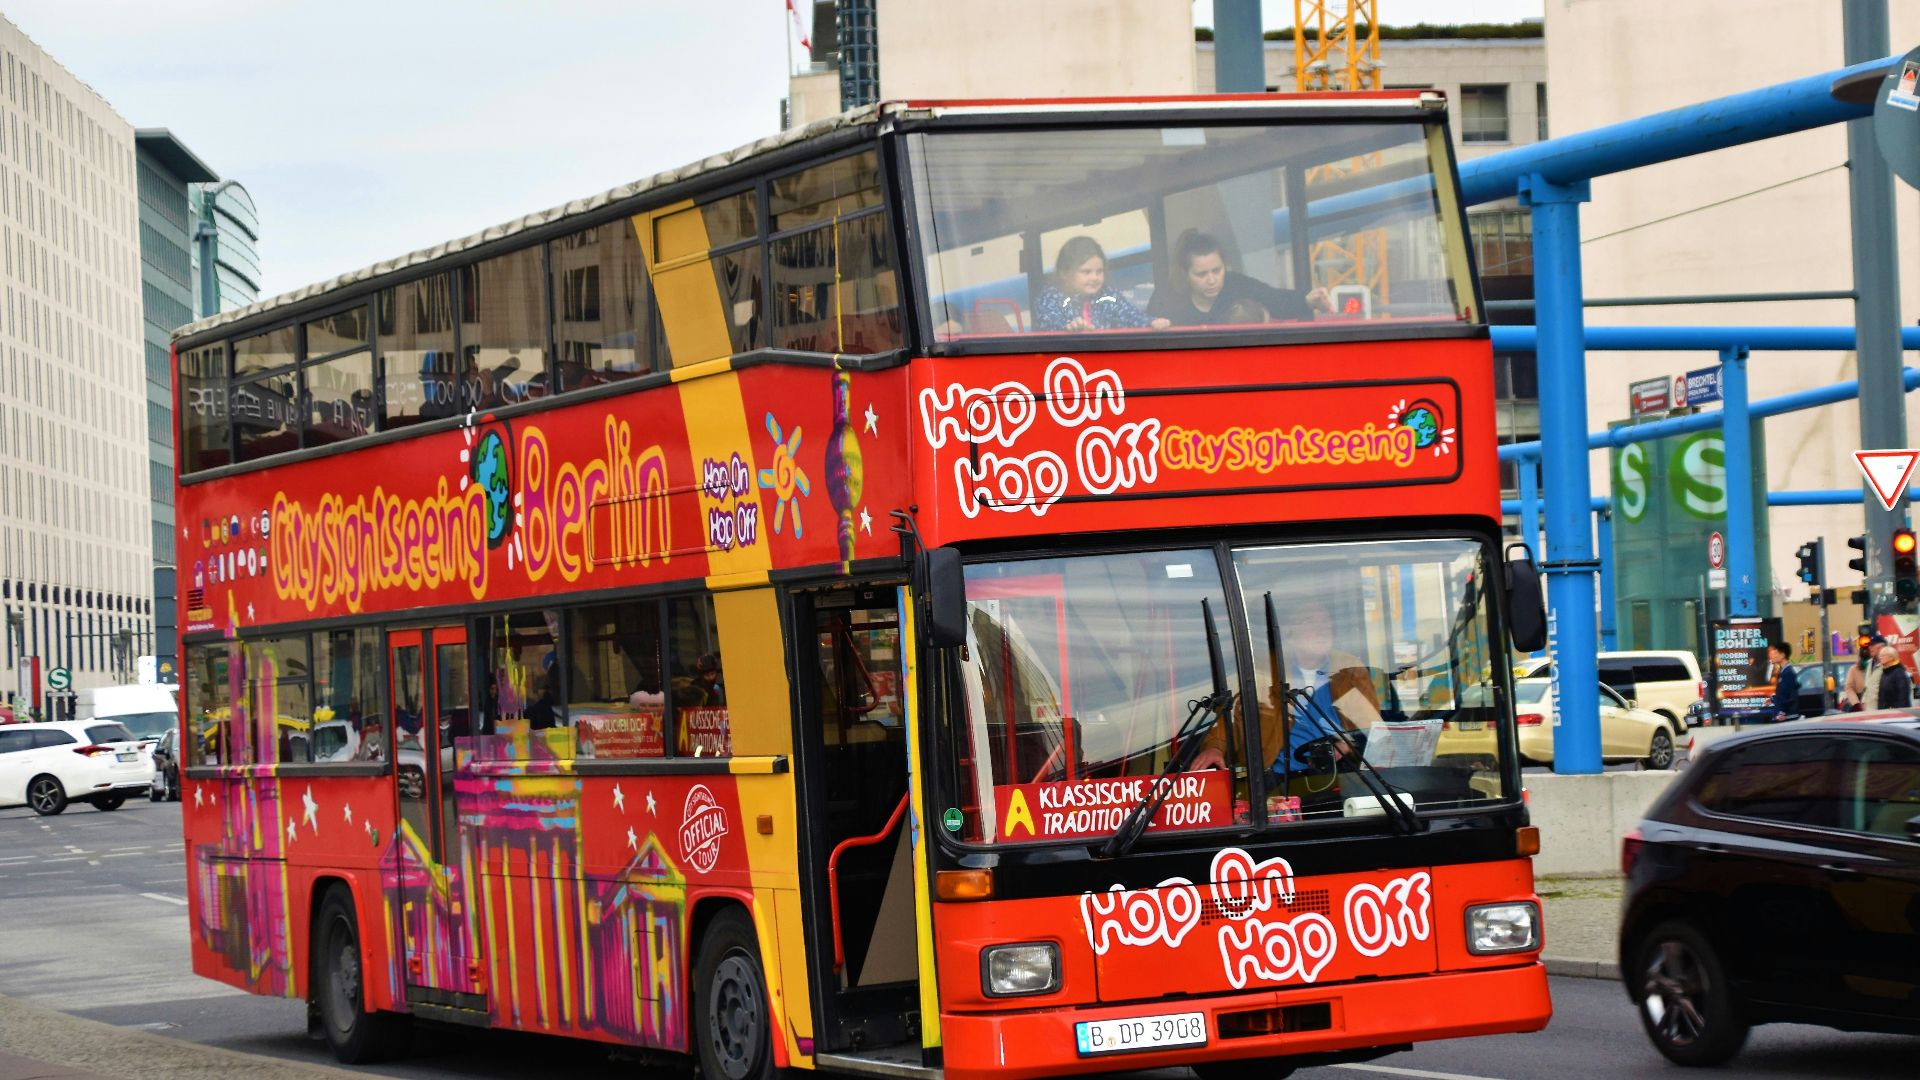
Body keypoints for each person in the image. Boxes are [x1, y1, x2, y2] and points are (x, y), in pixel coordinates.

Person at [1191, 598, 1380, 776]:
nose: (1321, 629)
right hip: (1281, 781)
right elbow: (1233, 719)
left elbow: (1370, 729)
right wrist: (1214, 747)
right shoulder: (1266, 674)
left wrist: (1346, 744)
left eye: (1325, 622)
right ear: (1289, 633)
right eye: (1309, 622)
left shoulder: (1347, 671)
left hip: (1341, 775)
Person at [1147, 230, 1332, 327]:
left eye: (1217, 270)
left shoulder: (1237, 285)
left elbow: (1274, 299)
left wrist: (1307, 300)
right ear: (1184, 273)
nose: (1212, 280)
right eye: (1201, 274)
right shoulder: (1166, 299)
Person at [1033, 237, 1170, 332]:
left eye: (1099, 271)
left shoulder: (1108, 297)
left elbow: (1130, 315)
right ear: (1065, 273)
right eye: (1086, 272)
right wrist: (1069, 328)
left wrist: (1151, 322)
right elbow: (1048, 320)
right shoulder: (1052, 297)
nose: (1094, 277)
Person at [1766, 641, 1800, 722]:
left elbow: (1789, 695)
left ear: (1783, 655)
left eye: (1776, 653)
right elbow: (1782, 694)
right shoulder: (1783, 671)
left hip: (1787, 717)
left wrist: (1782, 712)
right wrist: (1772, 699)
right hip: (1783, 716)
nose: (1773, 656)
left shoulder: (1788, 673)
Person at [1875, 645, 1913, 709]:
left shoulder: (1899, 673)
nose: (1880, 658)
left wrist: (1899, 713)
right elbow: (1881, 697)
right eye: (1880, 655)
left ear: (1891, 657)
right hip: (1885, 714)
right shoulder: (1884, 673)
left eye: (1883, 655)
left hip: (1897, 714)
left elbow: (1903, 696)